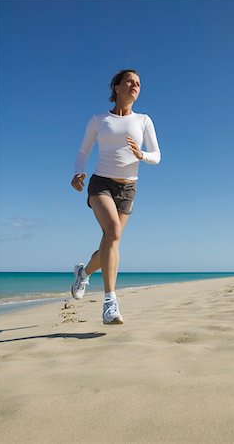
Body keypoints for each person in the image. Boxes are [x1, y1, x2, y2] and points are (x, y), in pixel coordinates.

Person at [70, 69, 161, 324]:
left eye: (139, 83)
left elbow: (157, 155)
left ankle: (83, 272)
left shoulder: (144, 120)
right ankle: (110, 303)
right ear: (117, 87)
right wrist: (78, 173)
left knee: (110, 242)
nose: (135, 86)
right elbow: (83, 151)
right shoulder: (99, 120)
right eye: (130, 82)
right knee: (114, 232)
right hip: (101, 184)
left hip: (128, 188)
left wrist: (142, 155)